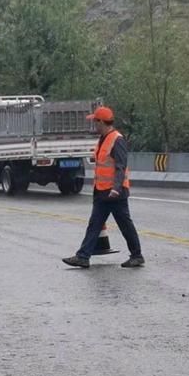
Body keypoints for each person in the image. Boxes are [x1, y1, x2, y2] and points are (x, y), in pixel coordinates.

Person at [62, 106, 145, 269]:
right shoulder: (103, 138)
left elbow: (121, 166)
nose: (94, 125)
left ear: (101, 122)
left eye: (95, 121)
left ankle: (137, 256)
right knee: (94, 224)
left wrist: (116, 188)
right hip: (102, 191)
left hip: (115, 192)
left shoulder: (117, 140)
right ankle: (83, 257)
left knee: (125, 224)